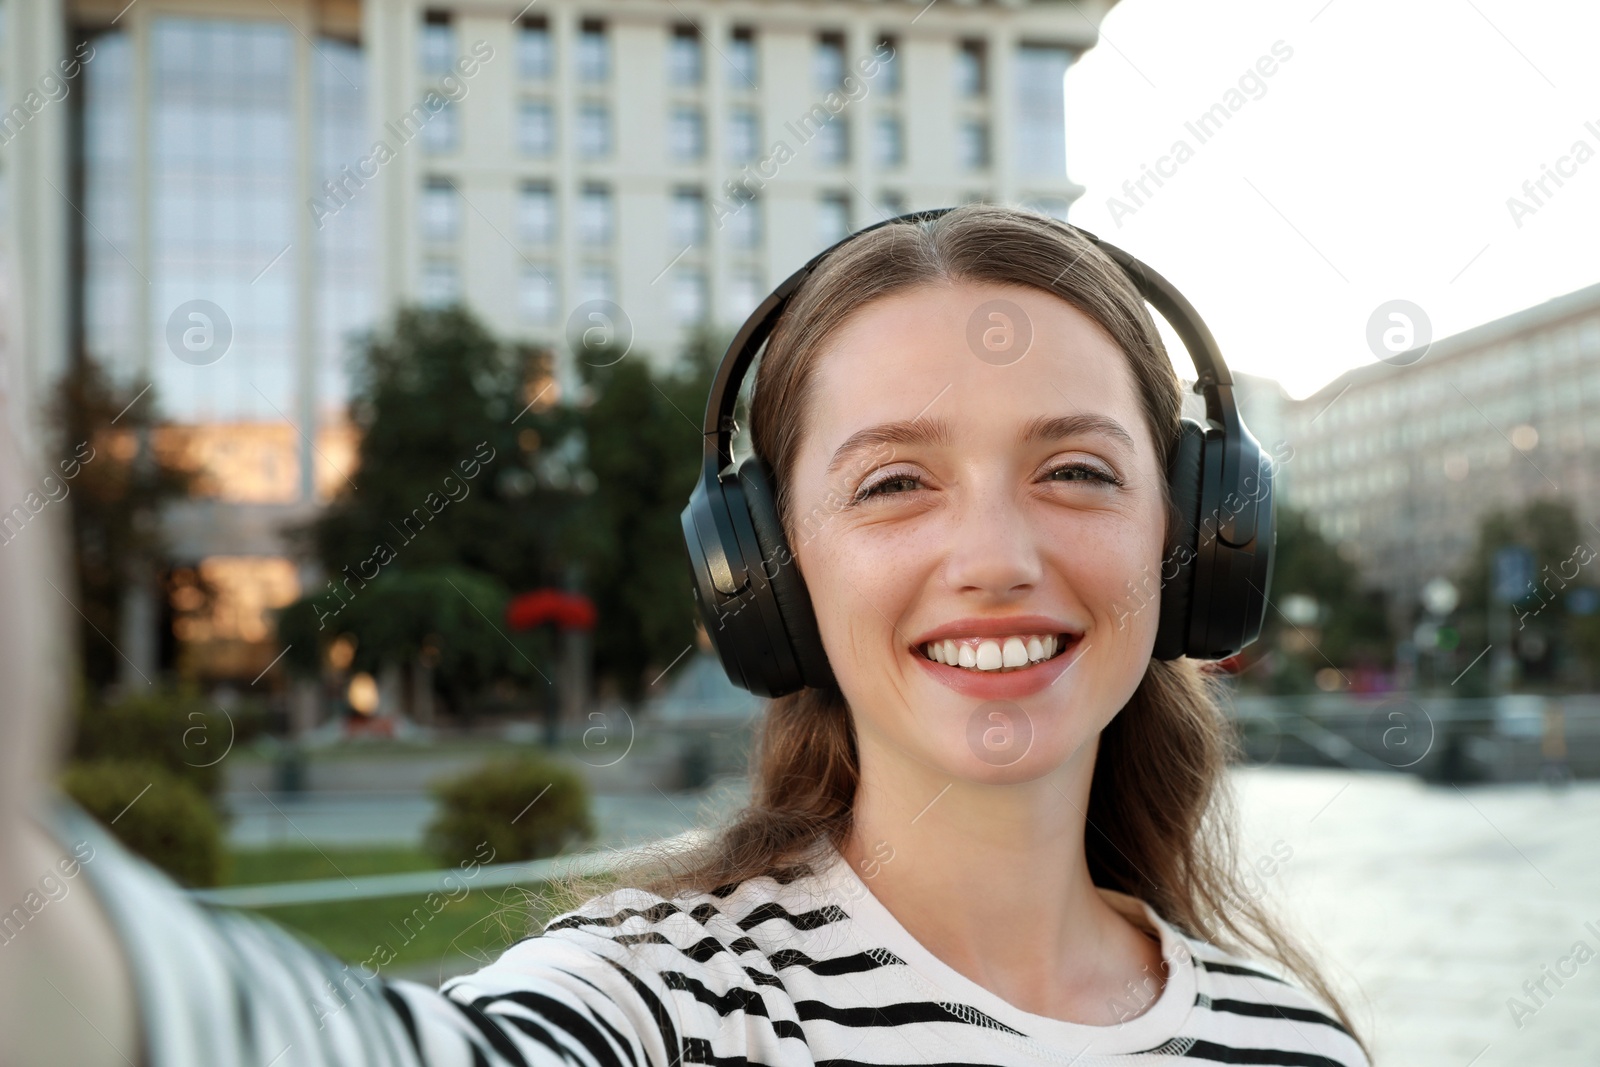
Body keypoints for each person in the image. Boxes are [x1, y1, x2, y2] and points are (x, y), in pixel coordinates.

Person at [0, 204, 1369, 1066]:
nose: (998, 558)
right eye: (894, 482)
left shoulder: (1293, 1041)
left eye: (1076, 469)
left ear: (1193, 540)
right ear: (766, 572)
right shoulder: (664, 1006)